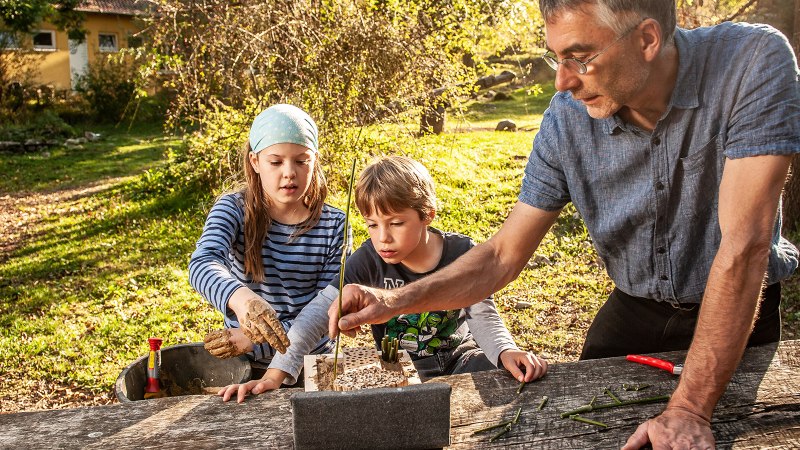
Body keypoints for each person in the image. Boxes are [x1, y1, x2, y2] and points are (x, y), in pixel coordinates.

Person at [328, 1, 800, 448]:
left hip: (739, 308)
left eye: (579, 57)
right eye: (555, 56)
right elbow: (501, 255)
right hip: (635, 307)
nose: (561, 82)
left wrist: (692, 410)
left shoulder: (752, 62)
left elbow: (743, 249)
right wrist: (392, 300)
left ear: (648, 39)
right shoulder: (566, 120)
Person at [219, 155, 547, 403]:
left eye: (395, 223)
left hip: (461, 359)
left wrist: (506, 352)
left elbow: (483, 316)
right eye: (372, 225)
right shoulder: (367, 259)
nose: (383, 238)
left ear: (426, 215)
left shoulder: (462, 251)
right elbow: (314, 317)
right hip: (392, 364)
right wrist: (275, 374)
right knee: (319, 379)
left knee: (517, 382)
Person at [188, 104, 349, 400]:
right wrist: (242, 299)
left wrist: (253, 340)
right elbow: (203, 263)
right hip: (244, 368)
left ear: (315, 161)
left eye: (301, 161)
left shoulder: (335, 225)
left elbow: (323, 316)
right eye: (276, 162)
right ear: (255, 161)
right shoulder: (232, 209)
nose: (289, 173)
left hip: (311, 364)